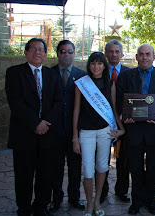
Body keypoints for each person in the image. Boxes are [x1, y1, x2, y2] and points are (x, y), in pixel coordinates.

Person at [5, 38, 62, 216]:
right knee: (24, 174)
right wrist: (35, 123)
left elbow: (58, 102)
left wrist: (45, 123)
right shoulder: (14, 73)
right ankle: (23, 207)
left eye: (41, 49)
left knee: (45, 173)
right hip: (24, 134)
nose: (37, 52)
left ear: (46, 53)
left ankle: (41, 205)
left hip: (47, 133)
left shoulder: (52, 74)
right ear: (26, 52)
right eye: (33, 49)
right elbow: (15, 103)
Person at [116, 43, 155, 215]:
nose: (144, 57)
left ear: (154, 56)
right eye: (141, 54)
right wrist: (123, 114)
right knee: (135, 168)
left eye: (148, 54)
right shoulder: (126, 76)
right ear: (136, 57)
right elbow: (120, 99)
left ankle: (151, 202)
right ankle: (137, 202)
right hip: (133, 130)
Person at [72, 52, 125, 216]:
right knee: (88, 169)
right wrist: (75, 137)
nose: (96, 67)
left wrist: (121, 128)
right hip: (86, 132)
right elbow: (76, 110)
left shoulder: (110, 84)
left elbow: (114, 109)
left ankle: (96, 202)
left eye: (99, 63)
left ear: (104, 65)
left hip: (104, 131)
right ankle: (89, 203)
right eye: (93, 63)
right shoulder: (82, 84)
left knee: (102, 167)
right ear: (89, 65)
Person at [50, 40, 86, 212]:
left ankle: (74, 198)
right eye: (63, 51)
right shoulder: (48, 73)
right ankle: (56, 199)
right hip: (54, 130)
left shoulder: (82, 75)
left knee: (75, 167)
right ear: (57, 53)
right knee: (55, 168)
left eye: (70, 52)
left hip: (74, 131)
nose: (66, 55)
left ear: (74, 54)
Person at [101, 39, 131, 204]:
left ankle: (122, 190)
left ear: (121, 54)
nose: (113, 54)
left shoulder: (129, 72)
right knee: (103, 159)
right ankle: (103, 191)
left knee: (123, 160)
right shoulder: (98, 71)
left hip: (125, 122)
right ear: (106, 54)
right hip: (104, 123)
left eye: (117, 51)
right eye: (110, 51)